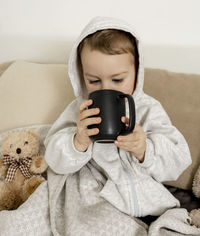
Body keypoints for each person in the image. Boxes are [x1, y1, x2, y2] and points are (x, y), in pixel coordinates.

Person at [44, 16, 191, 218]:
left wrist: (145, 149)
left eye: (118, 79)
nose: (106, 89)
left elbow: (179, 159)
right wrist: (77, 142)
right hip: (95, 199)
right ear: (81, 75)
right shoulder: (80, 110)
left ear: (137, 71)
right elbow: (53, 159)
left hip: (145, 199)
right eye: (94, 81)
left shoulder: (149, 109)